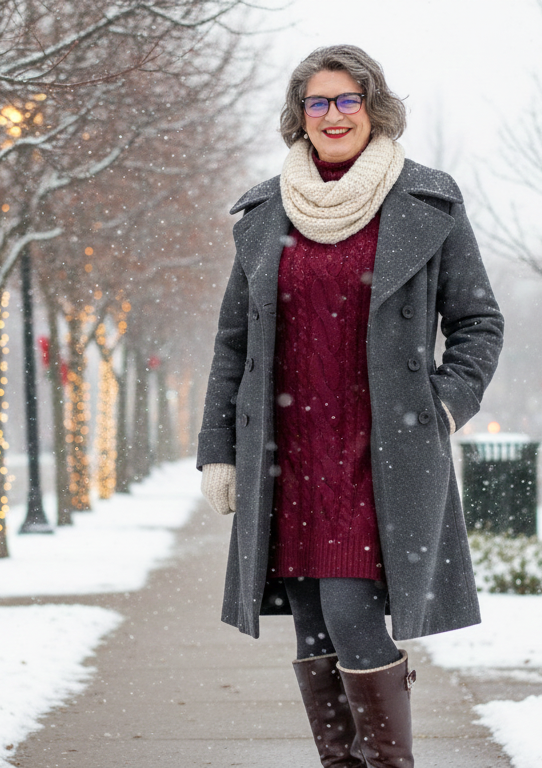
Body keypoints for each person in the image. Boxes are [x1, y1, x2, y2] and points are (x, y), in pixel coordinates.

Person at [197, 44, 504, 768]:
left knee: (350, 615)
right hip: (289, 460)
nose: (333, 115)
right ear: (298, 116)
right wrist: (218, 449)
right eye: (317, 102)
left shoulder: (427, 200)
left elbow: (478, 321)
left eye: (347, 100)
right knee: (313, 632)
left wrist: (445, 405)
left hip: (380, 461)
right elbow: (232, 347)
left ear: (373, 107)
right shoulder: (264, 211)